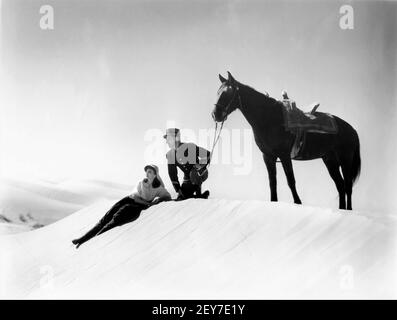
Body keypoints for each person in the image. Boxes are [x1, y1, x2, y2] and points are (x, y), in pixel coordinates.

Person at [72, 164, 171, 248]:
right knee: (104, 219)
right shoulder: (141, 182)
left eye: (149, 172)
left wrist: (158, 200)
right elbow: (135, 196)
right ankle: (82, 240)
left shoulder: (158, 188)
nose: (147, 174)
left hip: (135, 207)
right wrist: (149, 203)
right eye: (146, 172)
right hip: (128, 200)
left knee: (113, 221)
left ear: (155, 174)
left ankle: (94, 240)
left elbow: (167, 196)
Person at [164, 128, 211, 200]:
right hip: (187, 178)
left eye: (168, 139)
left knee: (194, 173)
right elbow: (172, 174)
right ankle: (201, 196)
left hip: (201, 172)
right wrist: (178, 190)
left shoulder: (190, 147)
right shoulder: (170, 155)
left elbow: (208, 154)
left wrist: (201, 165)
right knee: (182, 197)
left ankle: (199, 195)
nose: (166, 141)